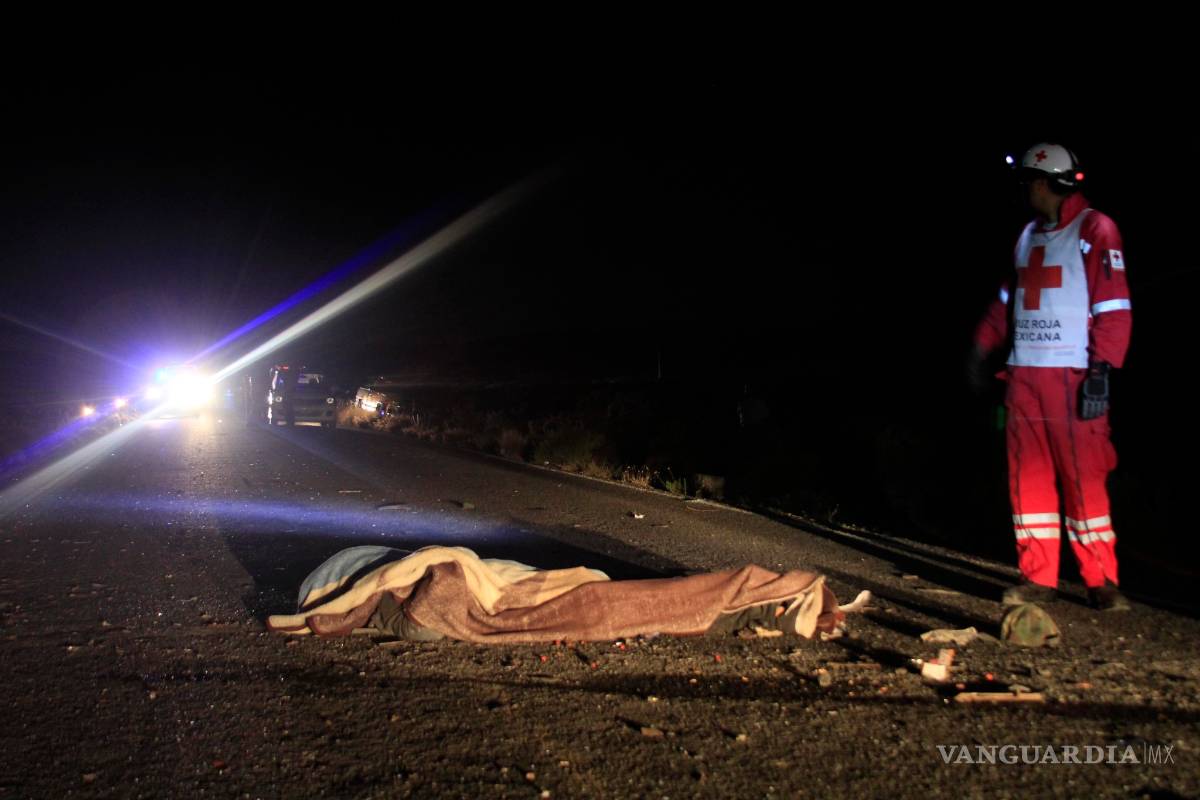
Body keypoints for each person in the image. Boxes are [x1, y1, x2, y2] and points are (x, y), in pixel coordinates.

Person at [968, 142, 1132, 611]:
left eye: (1027, 182)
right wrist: (982, 346)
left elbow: (1114, 304)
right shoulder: (1027, 236)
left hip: (1071, 376)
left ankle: (1101, 581)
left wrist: (1102, 369)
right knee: (1028, 482)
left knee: (1085, 479)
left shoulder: (1095, 228)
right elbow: (1010, 299)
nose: (1024, 191)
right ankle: (1037, 577)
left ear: (1040, 183)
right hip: (1024, 378)